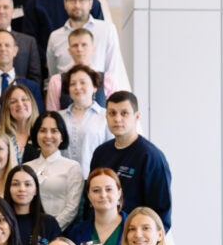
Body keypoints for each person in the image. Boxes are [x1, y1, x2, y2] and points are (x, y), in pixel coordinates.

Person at [90, 91, 172, 231]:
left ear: (137, 116)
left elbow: (161, 213)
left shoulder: (151, 157)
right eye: (112, 113)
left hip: (134, 238)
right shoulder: (101, 153)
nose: (117, 119)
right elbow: (91, 198)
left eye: (124, 113)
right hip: (100, 235)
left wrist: (145, 244)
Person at [46, 0, 126, 86]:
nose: (77, 5)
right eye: (72, 0)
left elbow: (111, 71)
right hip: (65, 95)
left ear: (91, 3)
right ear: (65, 4)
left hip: (99, 94)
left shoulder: (107, 30)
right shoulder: (55, 36)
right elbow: (53, 74)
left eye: (82, 0)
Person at [26, 111, 85, 230]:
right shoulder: (26, 168)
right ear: (36, 134)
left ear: (62, 136)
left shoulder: (72, 167)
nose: (48, 136)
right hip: (29, 231)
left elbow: (72, 208)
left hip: (61, 232)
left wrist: (50, 230)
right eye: (42, 130)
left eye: (54, 131)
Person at [45, 27, 121, 112]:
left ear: (93, 49)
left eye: (84, 45)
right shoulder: (57, 81)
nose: (79, 49)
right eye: (75, 45)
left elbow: (115, 112)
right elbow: (52, 116)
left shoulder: (108, 80)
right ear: (69, 51)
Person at [4, 164, 61, 245]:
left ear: (36, 190)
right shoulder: (1, 222)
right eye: (15, 184)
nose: (22, 189)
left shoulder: (49, 223)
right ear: (8, 189)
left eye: (28, 184)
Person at [59, 64, 109, 177]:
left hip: (96, 181)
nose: (77, 87)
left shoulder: (106, 116)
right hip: (63, 181)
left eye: (83, 82)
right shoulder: (58, 117)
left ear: (94, 87)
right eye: (73, 84)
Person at [0, 82, 39, 163]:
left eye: (24, 99)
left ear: (32, 103)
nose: (20, 104)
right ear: (7, 108)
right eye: (13, 101)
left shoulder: (41, 134)